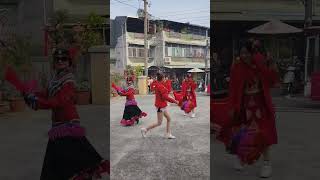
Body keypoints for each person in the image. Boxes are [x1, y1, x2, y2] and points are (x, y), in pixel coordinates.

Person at [24, 48, 108, 179]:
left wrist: (37, 100)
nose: (60, 62)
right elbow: (46, 95)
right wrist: (31, 96)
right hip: (57, 124)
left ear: (69, 62)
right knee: (59, 159)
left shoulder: (69, 80)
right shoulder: (55, 79)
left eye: (64, 59)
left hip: (68, 123)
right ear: (54, 62)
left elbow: (59, 101)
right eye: (57, 59)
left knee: (67, 160)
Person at [222, 40, 279, 178]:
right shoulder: (237, 68)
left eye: (247, 52)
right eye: (242, 53)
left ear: (252, 53)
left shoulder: (260, 65)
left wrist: (270, 64)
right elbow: (233, 89)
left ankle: (266, 163)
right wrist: (232, 106)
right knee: (241, 133)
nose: (244, 55)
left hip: (261, 107)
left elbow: (272, 81)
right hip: (243, 107)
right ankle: (240, 157)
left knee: (264, 135)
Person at [141, 72, 179, 139]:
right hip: (160, 107)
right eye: (164, 78)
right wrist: (175, 101)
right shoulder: (160, 86)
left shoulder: (158, 84)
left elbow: (157, 90)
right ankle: (145, 129)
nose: (166, 79)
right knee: (159, 123)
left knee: (169, 119)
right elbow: (165, 97)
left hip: (161, 106)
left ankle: (168, 134)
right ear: (163, 78)